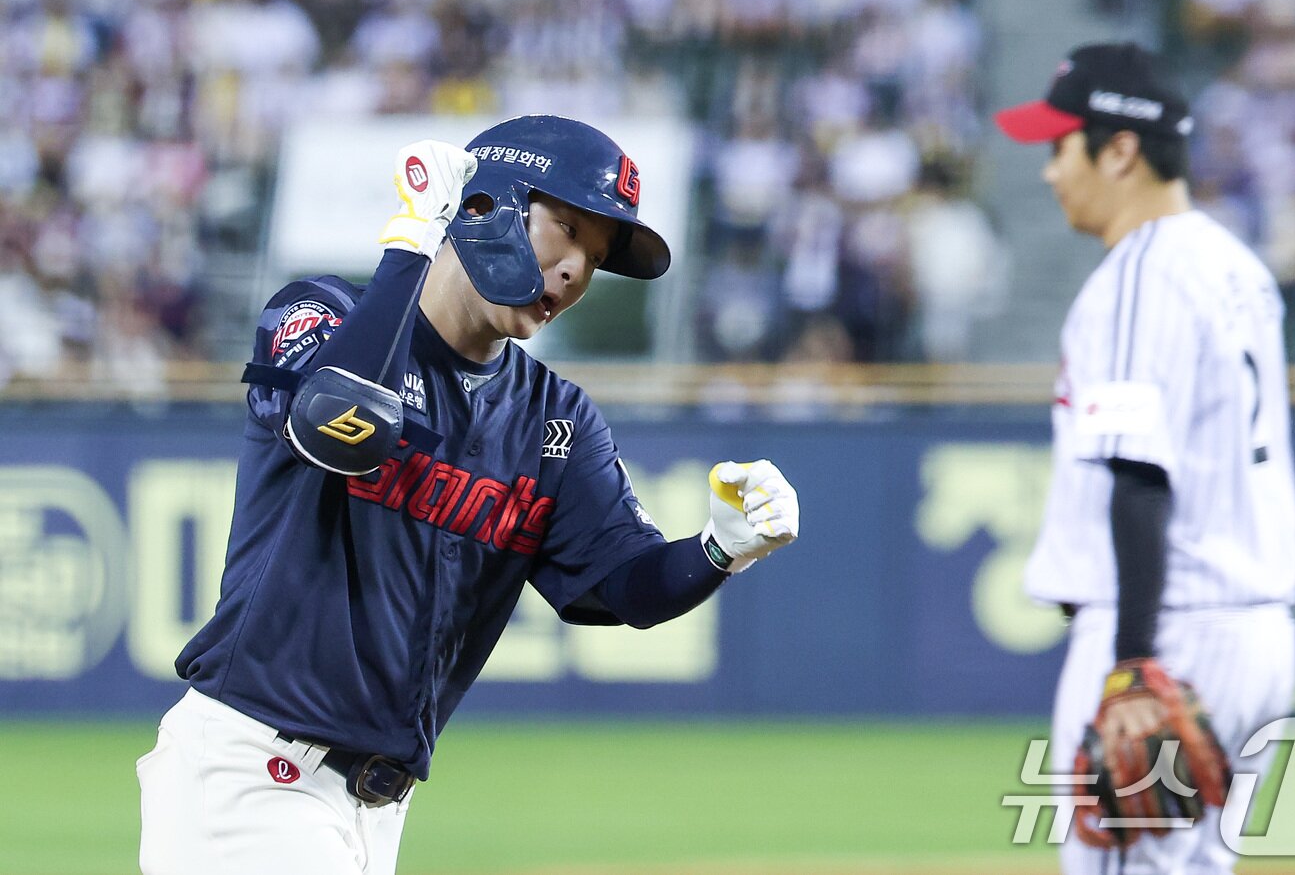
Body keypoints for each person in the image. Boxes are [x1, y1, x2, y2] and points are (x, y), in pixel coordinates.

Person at [136, 115, 800, 875]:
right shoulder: (321, 314)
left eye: (595, 257)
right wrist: (411, 243)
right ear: (487, 205)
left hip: (374, 807)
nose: (575, 273)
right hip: (251, 774)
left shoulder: (553, 417)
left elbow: (623, 587)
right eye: (568, 230)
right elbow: (336, 426)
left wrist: (720, 549)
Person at [995, 43, 1295, 874]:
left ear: (1120, 150)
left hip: (1169, 629)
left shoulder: (1141, 274)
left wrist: (1132, 664)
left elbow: (1139, 475)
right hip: (1254, 631)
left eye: (1061, 146)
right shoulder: (1235, 267)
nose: (1050, 171)